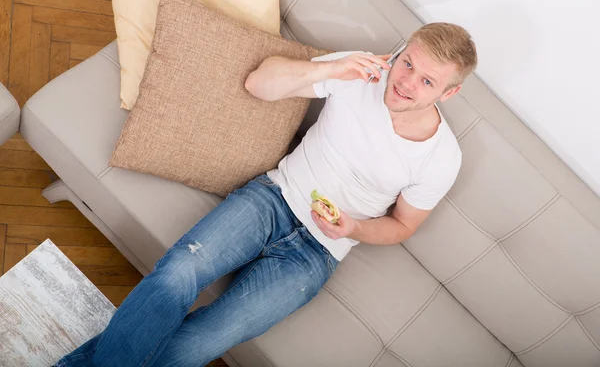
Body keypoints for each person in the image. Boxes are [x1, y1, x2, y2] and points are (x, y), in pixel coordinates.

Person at [55, 22, 477, 367]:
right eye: (406, 63)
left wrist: (354, 228)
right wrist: (327, 70)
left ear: (449, 92)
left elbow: (403, 225)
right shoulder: (358, 73)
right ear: (400, 51)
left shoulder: (441, 158)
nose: (404, 82)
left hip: (320, 252)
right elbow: (260, 84)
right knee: (179, 272)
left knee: (208, 339)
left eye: (426, 81)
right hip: (272, 199)